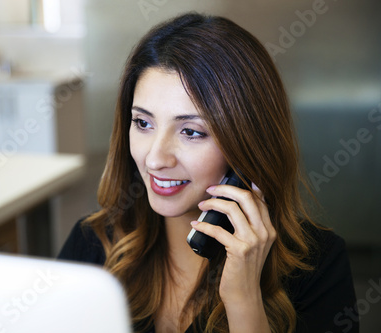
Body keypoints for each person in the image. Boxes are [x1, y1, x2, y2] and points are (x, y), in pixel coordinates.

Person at [58, 12, 358, 333]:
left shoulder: (318, 266)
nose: (156, 159)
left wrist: (244, 299)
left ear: (246, 143)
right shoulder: (93, 244)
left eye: (191, 132)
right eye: (143, 123)